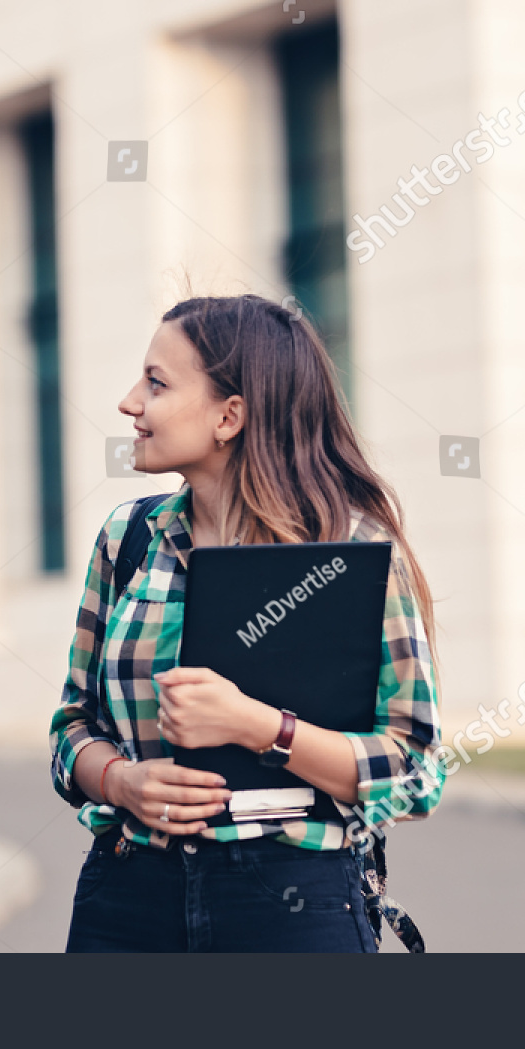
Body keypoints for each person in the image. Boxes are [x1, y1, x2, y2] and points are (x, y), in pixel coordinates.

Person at [49, 294, 444, 952]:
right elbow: (71, 730)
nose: (128, 402)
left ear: (229, 415)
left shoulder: (352, 552)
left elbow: (414, 773)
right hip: (125, 899)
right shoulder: (127, 539)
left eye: (155, 382)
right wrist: (120, 781)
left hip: (291, 905)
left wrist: (259, 727)